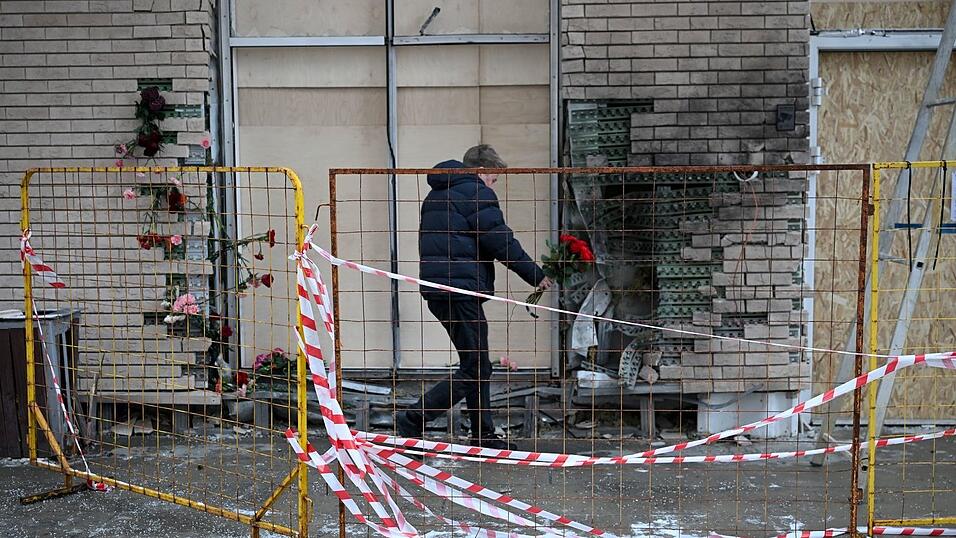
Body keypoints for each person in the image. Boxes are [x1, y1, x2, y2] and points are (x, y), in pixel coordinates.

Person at [396, 145, 552, 450]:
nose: (493, 185)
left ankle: (483, 434)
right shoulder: (475, 192)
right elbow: (500, 239)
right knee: (476, 366)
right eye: (494, 178)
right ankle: (414, 418)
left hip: (439, 290)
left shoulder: (437, 194)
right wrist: (535, 274)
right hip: (460, 291)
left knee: (475, 363)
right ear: (483, 170)